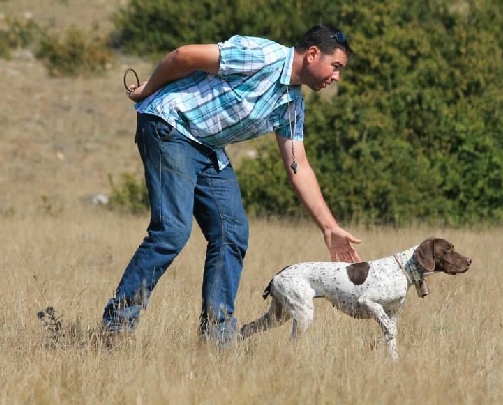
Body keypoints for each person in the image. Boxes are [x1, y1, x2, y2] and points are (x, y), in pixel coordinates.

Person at [101, 24, 362, 346]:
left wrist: (329, 228)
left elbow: (299, 167)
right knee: (172, 231)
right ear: (312, 54)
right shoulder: (260, 56)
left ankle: (217, 338)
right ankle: (117, 328)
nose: (336, 77)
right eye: (336, 67)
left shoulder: (292, 106)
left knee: (232, 234)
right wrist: (147, 89)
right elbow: (184, 55)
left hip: (206, 146)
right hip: (170, 125)